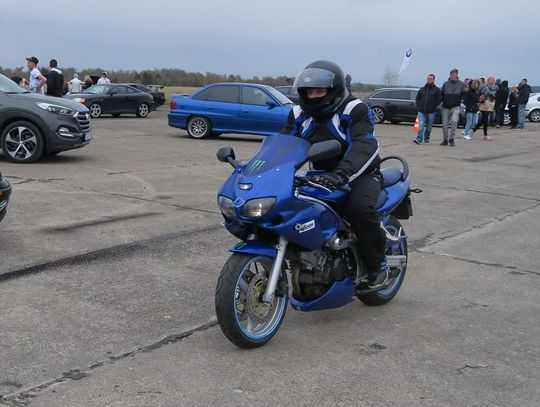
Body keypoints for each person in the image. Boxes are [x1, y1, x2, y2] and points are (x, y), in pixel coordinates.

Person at [280, 60, 387, 288]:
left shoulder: (355, 109)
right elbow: (284, 144)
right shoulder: (298, 113)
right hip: (319, 175)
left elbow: (364, 145)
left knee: (358, 209)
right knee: (287, 206)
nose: (313, 96)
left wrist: (341, 174)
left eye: (319, 91)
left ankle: (377, 265)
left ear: (335, 90)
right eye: (309, 92)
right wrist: (263, 168)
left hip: (360, 175)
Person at [413, 73, 441, 145]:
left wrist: (433, 107)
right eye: (428, 79)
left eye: (430, 79)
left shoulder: (437, 90)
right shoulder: (422, 89)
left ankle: (427, 138)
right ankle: (419, 139)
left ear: (434, 80)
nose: (429, 80)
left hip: (431, 112)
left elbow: (439, 100)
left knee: (429, 127)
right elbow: (417, 98)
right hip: (421, 111)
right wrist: (418, 106)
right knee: (421, 125)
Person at [440, 68, 465, 146]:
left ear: (457, 75)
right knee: (445, 124)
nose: (451, 76)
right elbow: (441, 93)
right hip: (445, 106)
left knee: (454, 123)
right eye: (451, 75)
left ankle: (451, 139)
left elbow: (464, 93)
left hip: (455, 106)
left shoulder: (461, 84)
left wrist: (460, 100)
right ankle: (445, 139)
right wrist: (443, 101)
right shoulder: (445, 84)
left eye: (453, 75)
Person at [473, 76, 498, 141]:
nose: (492, 81)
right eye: (490, 80)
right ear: (488, 80)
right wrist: (483, 97)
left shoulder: (496, 87)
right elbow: (480, 93)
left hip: (491, 104)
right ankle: (485, 135)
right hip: (484, 103)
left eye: (493, 80)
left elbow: (495, 95)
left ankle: (472, 131)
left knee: (483, 120)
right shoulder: (484, 86)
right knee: (485, 119)